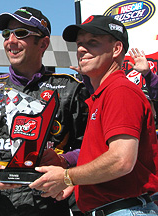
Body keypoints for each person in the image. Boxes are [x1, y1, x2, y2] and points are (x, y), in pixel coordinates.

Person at [0, 7, 89, 216]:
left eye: (21, 33)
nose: (10, 41)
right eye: (7, 34)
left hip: (48, 206)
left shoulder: (69, 89)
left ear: (43, 43)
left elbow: (91, 149)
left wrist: (65, 163)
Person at [30, 15, 158, 215]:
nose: (81, 49)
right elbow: (107, 159)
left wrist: (67, 176)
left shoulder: (120, 91)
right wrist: (78, 179)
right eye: (80, 44)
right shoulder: (103, 95)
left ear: (116, 49)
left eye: (92, 42)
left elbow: (120, 160)